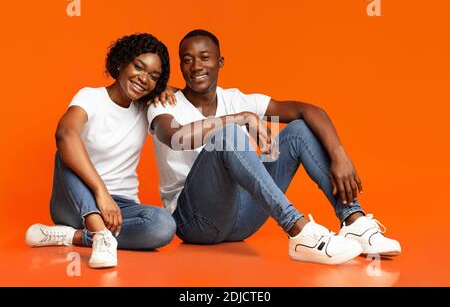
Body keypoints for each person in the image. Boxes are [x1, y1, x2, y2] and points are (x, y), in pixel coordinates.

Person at [147, 29, 401, 265]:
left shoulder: (235, 98)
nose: (196, 66)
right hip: (195, 222)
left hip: (242, 220)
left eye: (204, 57)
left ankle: (353, 220)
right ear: (180, 65)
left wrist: (339, 154)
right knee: (228, 134)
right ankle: (299, 231)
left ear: (220, 62)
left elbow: (307, 110)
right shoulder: (164, 104)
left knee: (299, 130)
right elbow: (175, 137)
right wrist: (242, 118)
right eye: (187, 60)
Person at [25, 33, 177, 268]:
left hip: (122, 207)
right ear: (121, 62)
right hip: (76, 201)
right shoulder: (91, 97)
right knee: (65, 150)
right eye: (139, 67)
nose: (143, 78)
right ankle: (100, 234)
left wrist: (166, 88)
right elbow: (65, 134)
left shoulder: (146, 108)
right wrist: (101, 194)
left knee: (163, 225)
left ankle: (71, 236)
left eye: (153, 76)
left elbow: (190, 96)